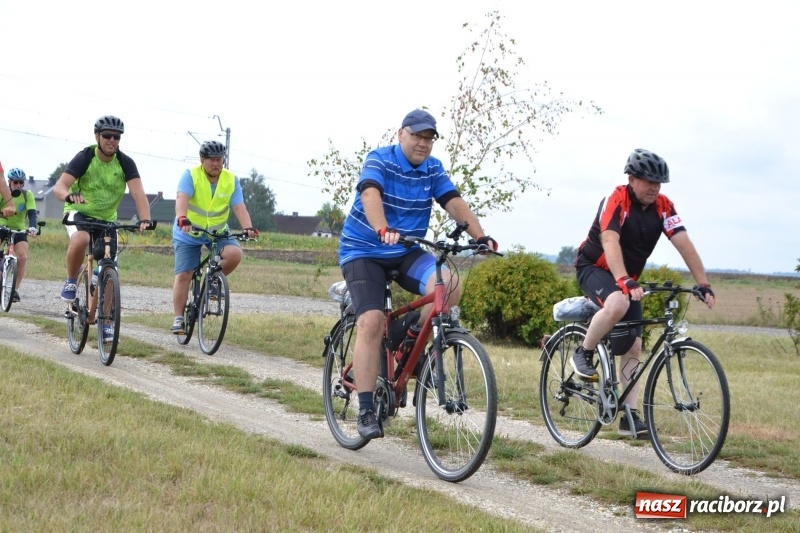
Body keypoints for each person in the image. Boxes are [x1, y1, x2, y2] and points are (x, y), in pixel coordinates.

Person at [338, 109, 498, 440]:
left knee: (449, 286)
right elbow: (370, 193)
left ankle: (406, 337)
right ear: (401, 134)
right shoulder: (380, 160)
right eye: (417, 136)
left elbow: (454, 202)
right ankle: (366, 409)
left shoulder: (432, 169)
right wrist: (382, 228)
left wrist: (479, 236)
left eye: (429, 138)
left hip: (407, 250)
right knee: (370, 320)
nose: (423, 144)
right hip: (364, 250)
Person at [571, 148, 715, 436]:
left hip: (628, 278)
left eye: (659, 183)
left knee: (634, 344)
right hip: (594, 266)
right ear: (632, 179)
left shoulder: (664, 206)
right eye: (649, 181)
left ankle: (629, 415)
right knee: (616, 304)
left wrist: (703, 282)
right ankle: (583, 353)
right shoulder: (616, 200)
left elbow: (683, 242)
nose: (654, 188)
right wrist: (623, 279)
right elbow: (610, 241)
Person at [54, 116, 152, 341]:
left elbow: (138, 193)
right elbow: (60, 186)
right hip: (80, 212)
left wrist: (145, 219)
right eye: (107, 136)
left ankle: (106, 322)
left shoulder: (125, 162)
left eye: (116, 137)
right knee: (80, 240)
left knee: (109, 269)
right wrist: (68, 195)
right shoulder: (85, 157)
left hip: (107, 219)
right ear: (97, 137)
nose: (112, 140)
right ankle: (71, 281)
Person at [170, 140, 259, 334]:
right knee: (185, 274)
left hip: (218, 232)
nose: (216, 163)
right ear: (202, 160)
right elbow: (181, 199)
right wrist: (182, 218)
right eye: (211, 159)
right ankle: (178, 318)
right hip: (189, 231)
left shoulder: (231, 179)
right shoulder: (191, 175)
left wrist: (248, 227)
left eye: (219, 159)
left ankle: (212, 281)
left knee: (235, 253)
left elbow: (239, 206)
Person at [0, 168, 40, 302]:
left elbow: (32, 212)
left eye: (21, 183)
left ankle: (14, 290)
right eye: (15, 182)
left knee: (22, 257)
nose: (18, 185)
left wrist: (33, 226)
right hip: (1, 226)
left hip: (19, 229)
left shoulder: (26, 194)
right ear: (9, 182)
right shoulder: (3, 193)